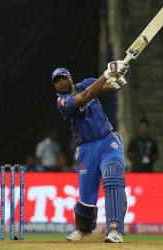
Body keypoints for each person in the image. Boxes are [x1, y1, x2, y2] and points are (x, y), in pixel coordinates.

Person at [52, 60, 129, 243]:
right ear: (54, 85)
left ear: (70, 78)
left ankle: (115, 229)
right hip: (86, 148)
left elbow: (104, 86)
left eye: (63, 78)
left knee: (112, 176)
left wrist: (118, 75)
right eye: (57, 81)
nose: (61, 82)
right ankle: (83, 229)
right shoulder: (62, 102)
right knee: (86, 197)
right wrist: (108, 73)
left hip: (107, 139)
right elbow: (86, 96)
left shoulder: (86, 83)